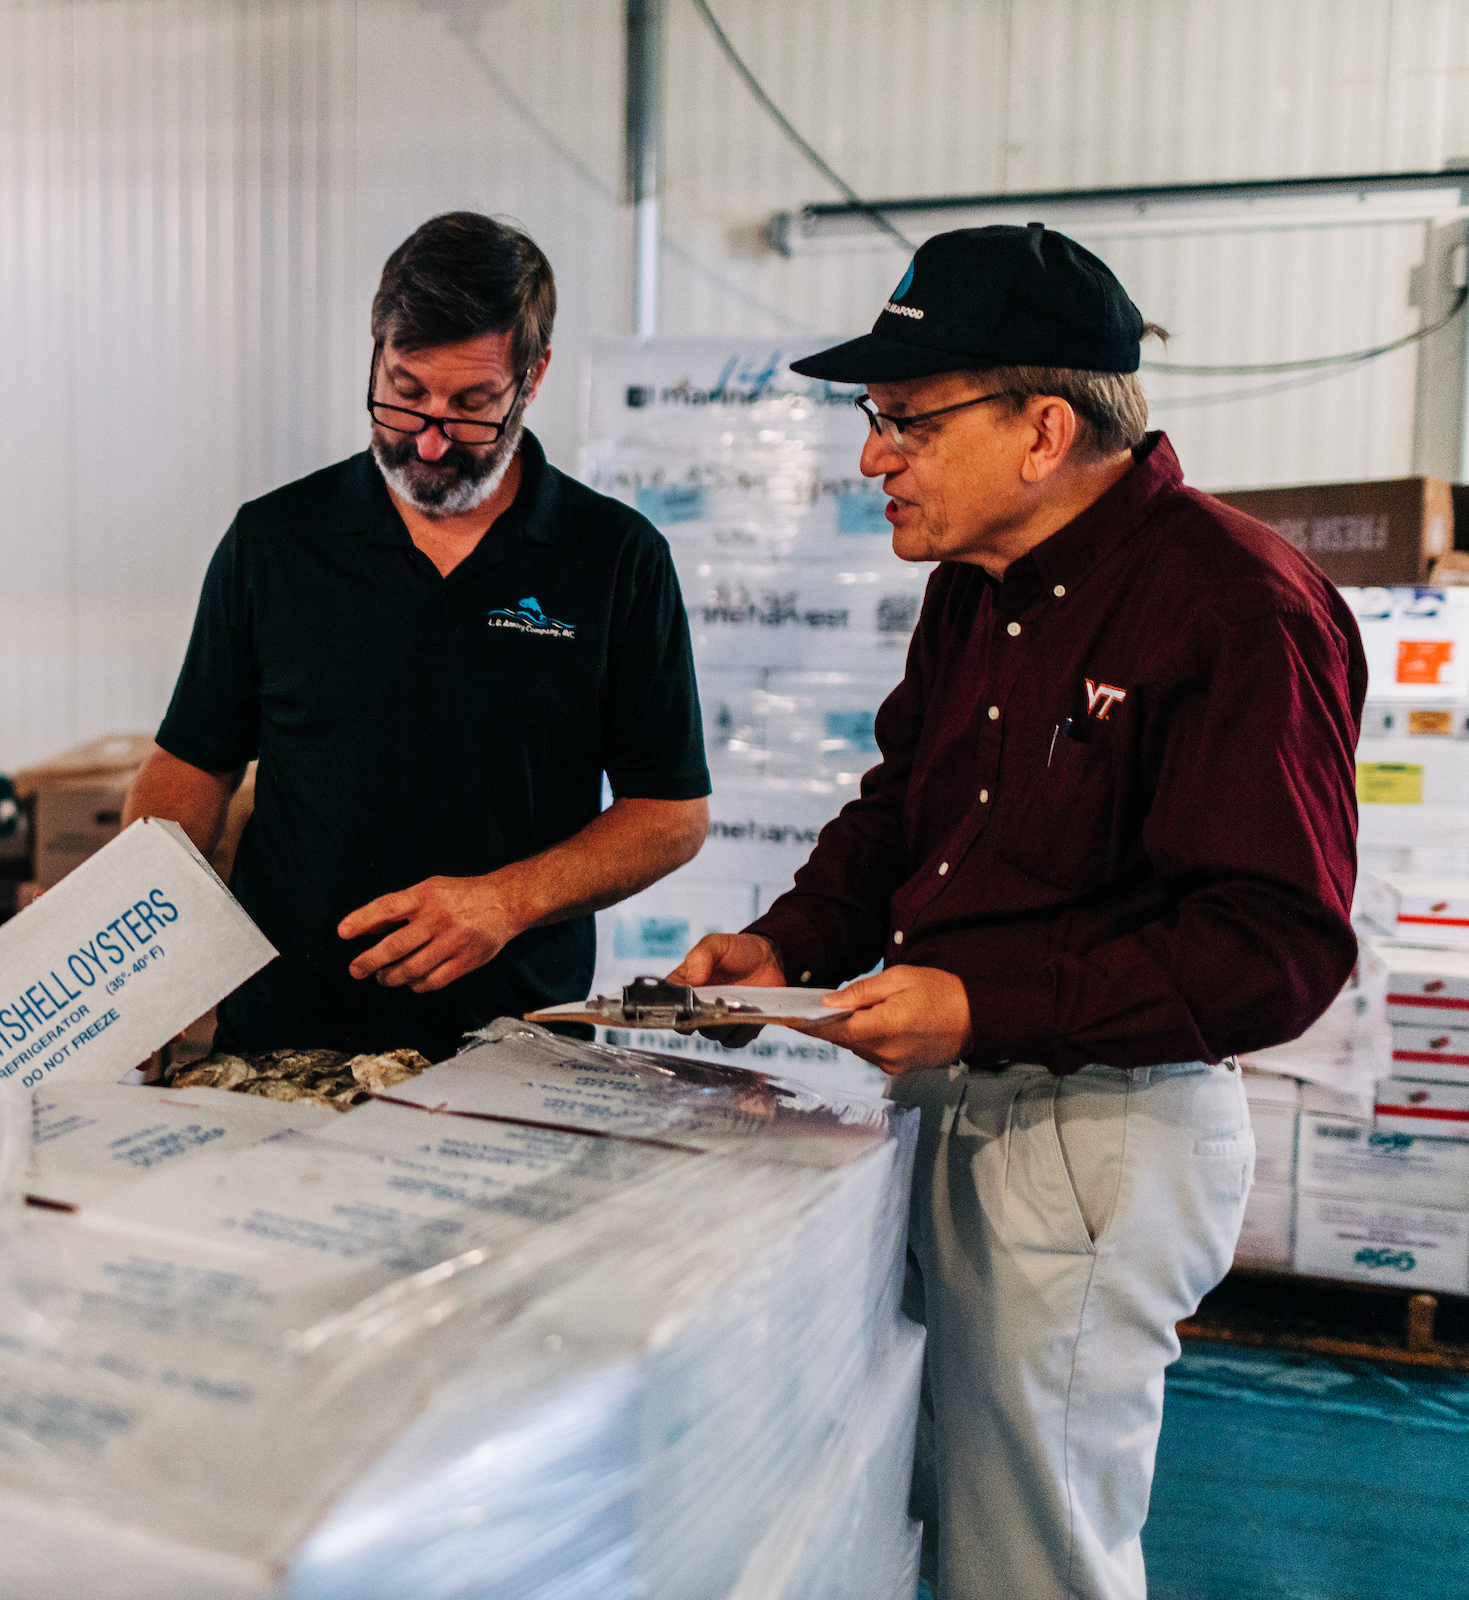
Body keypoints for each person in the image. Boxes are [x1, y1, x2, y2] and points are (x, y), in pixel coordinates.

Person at [671, 223, 1364, 1599]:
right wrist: (788, 944)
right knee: (919, 1518)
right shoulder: (971, 595)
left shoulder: (1233, 607)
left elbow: (1273, 948)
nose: (875, 456)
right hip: (945, 1107)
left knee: (1029, 1561)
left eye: (907, 420)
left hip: (1092, 1141)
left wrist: (985, 1006)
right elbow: (898, 809)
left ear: (1044, 429)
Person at [124, 212, 712, 1060]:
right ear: (376, 354)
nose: (430, 438)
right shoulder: (275, 542)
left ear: (533, 377)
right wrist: (132, 947)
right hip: (282, 1045)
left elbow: (671, 814)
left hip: (515, 1052)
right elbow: (193, 762)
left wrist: (507, 901)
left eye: (472, 406)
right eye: (405, 393)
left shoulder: (616, 560)